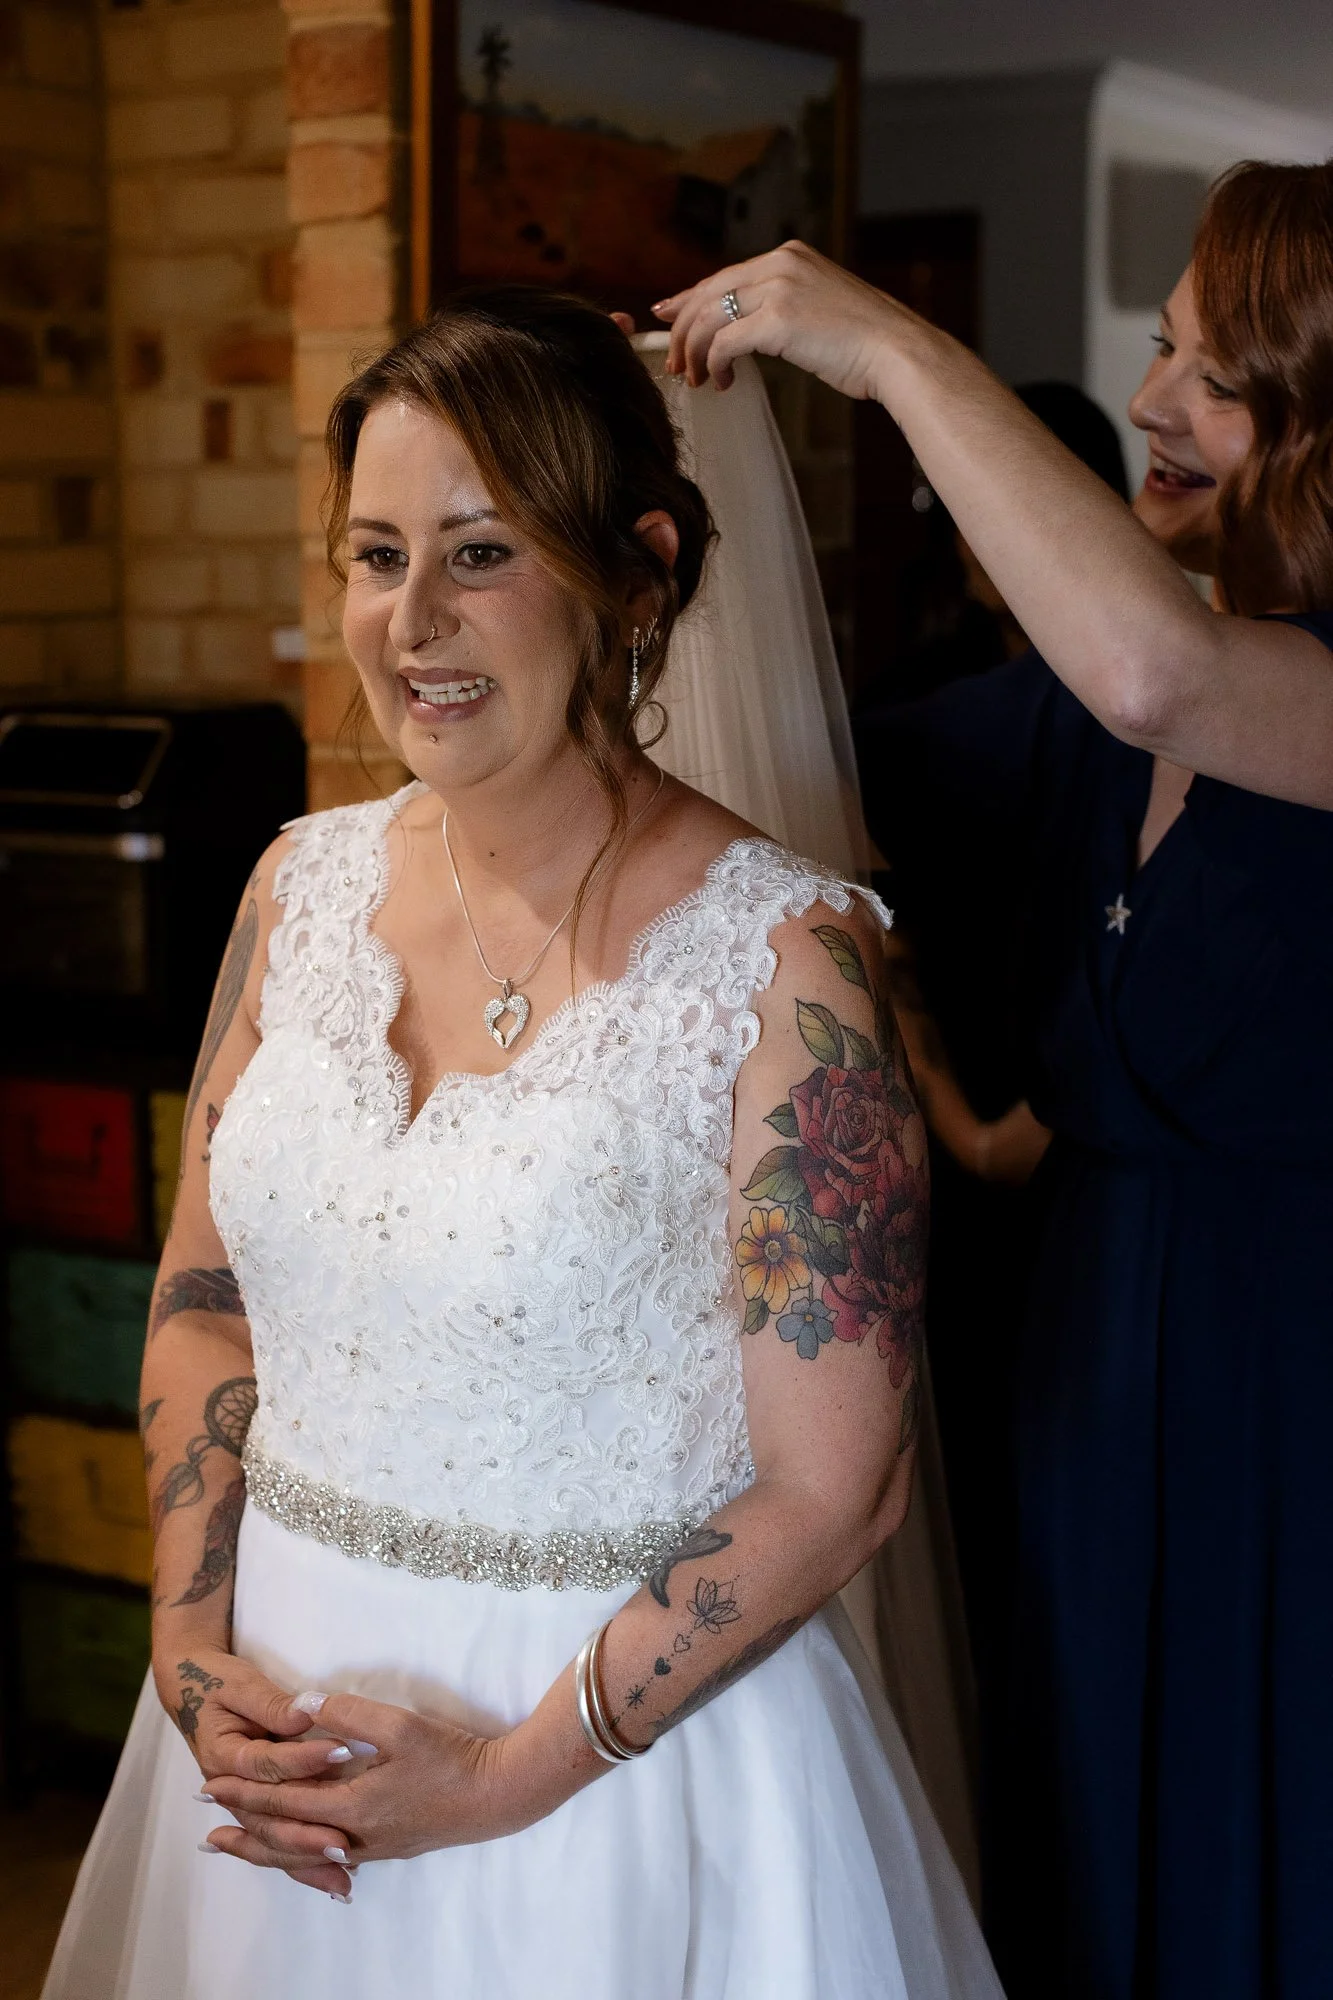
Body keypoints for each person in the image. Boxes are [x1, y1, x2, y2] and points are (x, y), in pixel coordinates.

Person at [42, 288, 1004, 2000]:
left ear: (634, 572)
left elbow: (838, 1483)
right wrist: (192, 1648)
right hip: (275, 1727)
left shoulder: (788, 962)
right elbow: (202, 1294)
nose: (411, 622)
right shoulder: (295, 886)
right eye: (376, 553)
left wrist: (500, 1779)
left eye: (480, 554)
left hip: (613, 1764)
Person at [655, 155, 1333, 2000]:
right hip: (1090, 1401)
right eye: (1160, 351)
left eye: (1211, 374)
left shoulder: (1218, 687)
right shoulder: (1051, 728)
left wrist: (878, 345)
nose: (1147, 406)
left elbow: (1158, 673)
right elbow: (789, 784)